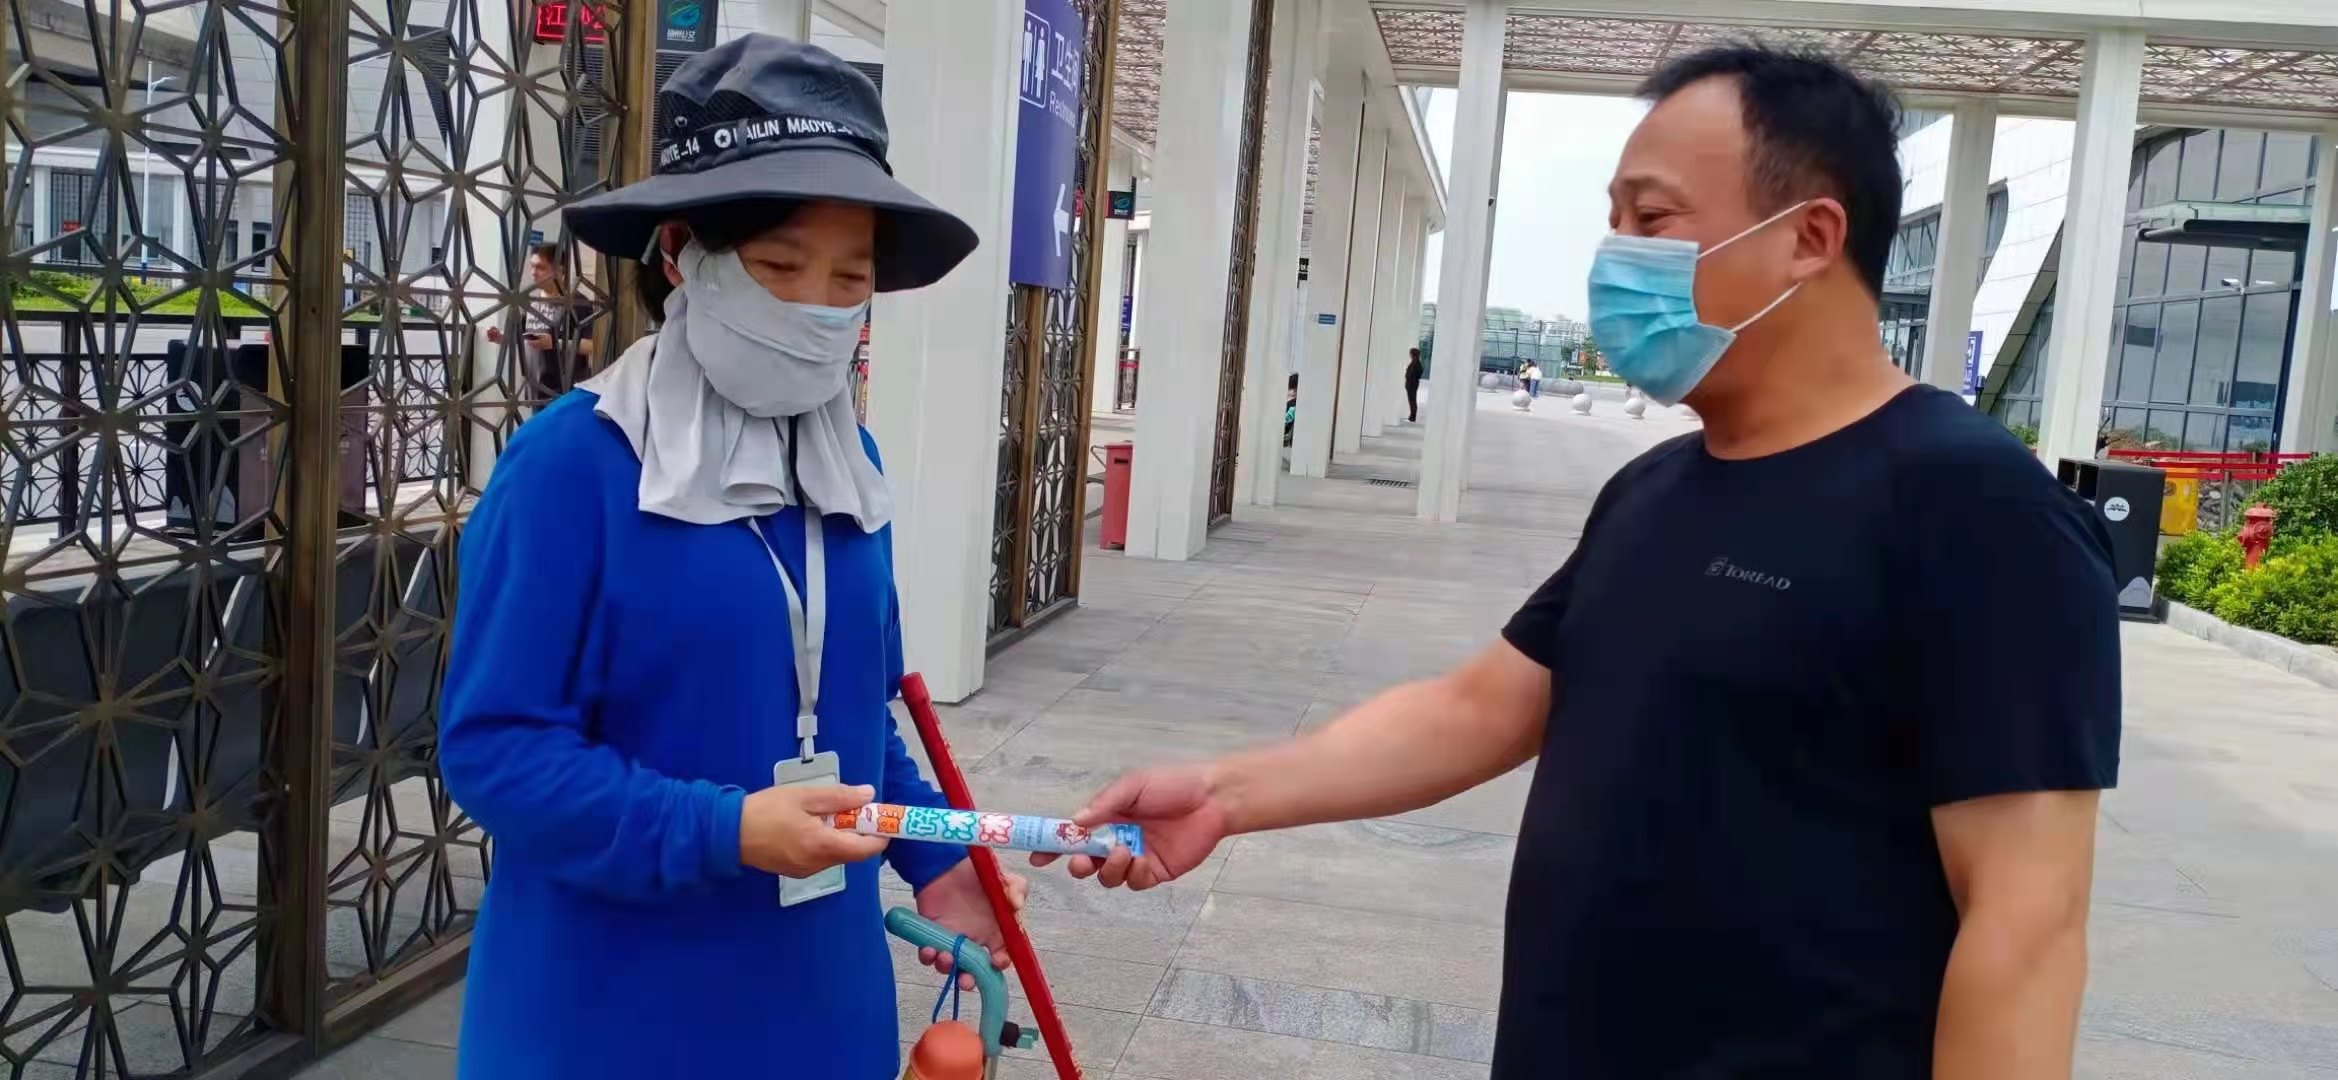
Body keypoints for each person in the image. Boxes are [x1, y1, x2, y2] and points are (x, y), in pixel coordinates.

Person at [1036, 44, 2120, 1080]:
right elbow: (1482, 708)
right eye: (1614, 221)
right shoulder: (1655, 491)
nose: (1617, 256)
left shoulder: (1973, 508)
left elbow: (2025, 922)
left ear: (1809, 235)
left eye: (1652, 218)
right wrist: (1224, 792)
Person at [440, 36, 1014, 1079]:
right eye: (780, 267)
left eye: (851, 278)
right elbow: (496, 749)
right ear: (680, 254)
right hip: (609, 1010)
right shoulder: (574, 466)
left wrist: (935, 852)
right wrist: (723, 829)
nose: (817, 306)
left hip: (818, 1001)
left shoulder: (849, 466)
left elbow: (852, 716)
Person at [486, 242, 599, 399]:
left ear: (559, 270)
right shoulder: (532, 302)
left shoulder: (578, 303)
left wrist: (554, 343)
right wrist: (500, 337)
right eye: (532, 266)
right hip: (536, 391)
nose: (533, 273)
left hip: (565, 392)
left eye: (540, 267)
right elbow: (522, 337)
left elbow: (592, 346)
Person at [1403, 346, 1424, 422]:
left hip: (1412, 384)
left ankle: (1413, 416)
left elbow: (1416, 373)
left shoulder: (1416, 363)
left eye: (1410, 353)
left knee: (1412, 400)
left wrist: (1410, 376)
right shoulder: (1414, 362)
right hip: (1411, 384)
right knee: (1411, 400)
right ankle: (1412, 415)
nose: (1410, 355)